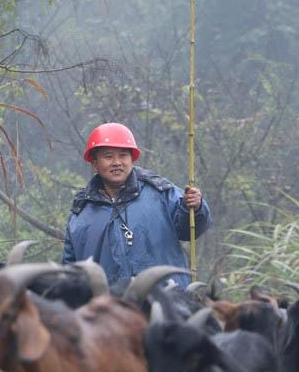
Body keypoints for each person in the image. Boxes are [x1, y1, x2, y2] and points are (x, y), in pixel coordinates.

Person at [62, 123, 212, 288]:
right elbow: (70, 272)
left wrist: (195, 207)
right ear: (95, 163)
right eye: (108, 156)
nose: (117, 162)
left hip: (166, 303)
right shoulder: (80, 213)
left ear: (132, 159)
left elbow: (189, 231)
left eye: (123, 155)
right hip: (107, 309)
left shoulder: (161, 192)